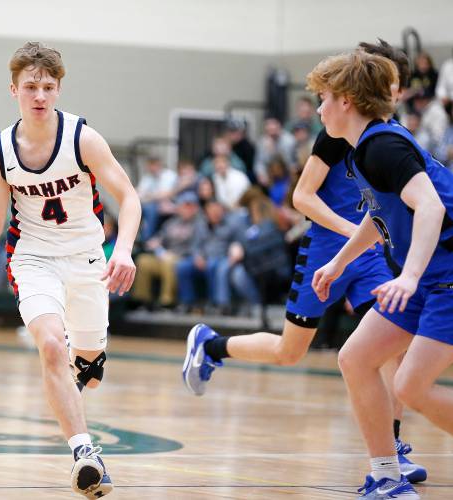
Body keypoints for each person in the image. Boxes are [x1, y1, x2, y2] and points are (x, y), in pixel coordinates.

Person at [182, 40, 426, 492]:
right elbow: (302, 197)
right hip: (324, 252)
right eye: (384, 81)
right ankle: (212, 346)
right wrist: (352, 229)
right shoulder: (336, 130)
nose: (389, 90)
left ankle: (391, 453)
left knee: (393, 343)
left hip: (369, 253)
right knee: (289, 352)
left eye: (395, 84)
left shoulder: (389, 136)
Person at [0, 42, 140, 498]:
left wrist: (121, 251)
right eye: (31, 87)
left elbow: (129, 198)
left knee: (89, 368)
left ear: (59, 89)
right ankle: (85, 453)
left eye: (48, 87)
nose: (40, 95)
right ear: (14, 90)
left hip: (88, 260)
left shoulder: (82, 138)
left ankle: (84, 364)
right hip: (32, 258)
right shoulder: (0, 150)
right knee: (50, 345)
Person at [308, 48, 453, 499]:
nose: (318, 108)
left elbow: (430, 206)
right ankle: (387, 475)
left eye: (323, 97)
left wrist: (407, 277)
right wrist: (339, 262)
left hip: (444, 277)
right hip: (424, 276)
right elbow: (382, 213)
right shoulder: (365, 149)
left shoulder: (383, 146)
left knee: (411, 386)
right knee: (354, 358)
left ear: (346, 100)